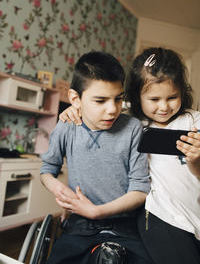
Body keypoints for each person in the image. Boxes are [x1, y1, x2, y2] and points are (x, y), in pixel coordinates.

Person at [60, 47, 200, 264]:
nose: (164, 107)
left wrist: (196, 161)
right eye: (154, 99)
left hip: (194, 210)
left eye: (172, 97)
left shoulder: (194, 121)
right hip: (158, 214)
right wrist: (73, 109)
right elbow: (99, 106)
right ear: (137, 96)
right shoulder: (129, 120)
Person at [40, 51, 153, 264]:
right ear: (76, 99)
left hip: (125, 226)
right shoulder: (66, 127)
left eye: (118, 99)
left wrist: (97, 212)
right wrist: (59, 189)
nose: (112, 110)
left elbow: (140, 190)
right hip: (80, 225)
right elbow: (47, 170)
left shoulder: (132, 128)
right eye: (100, 101)